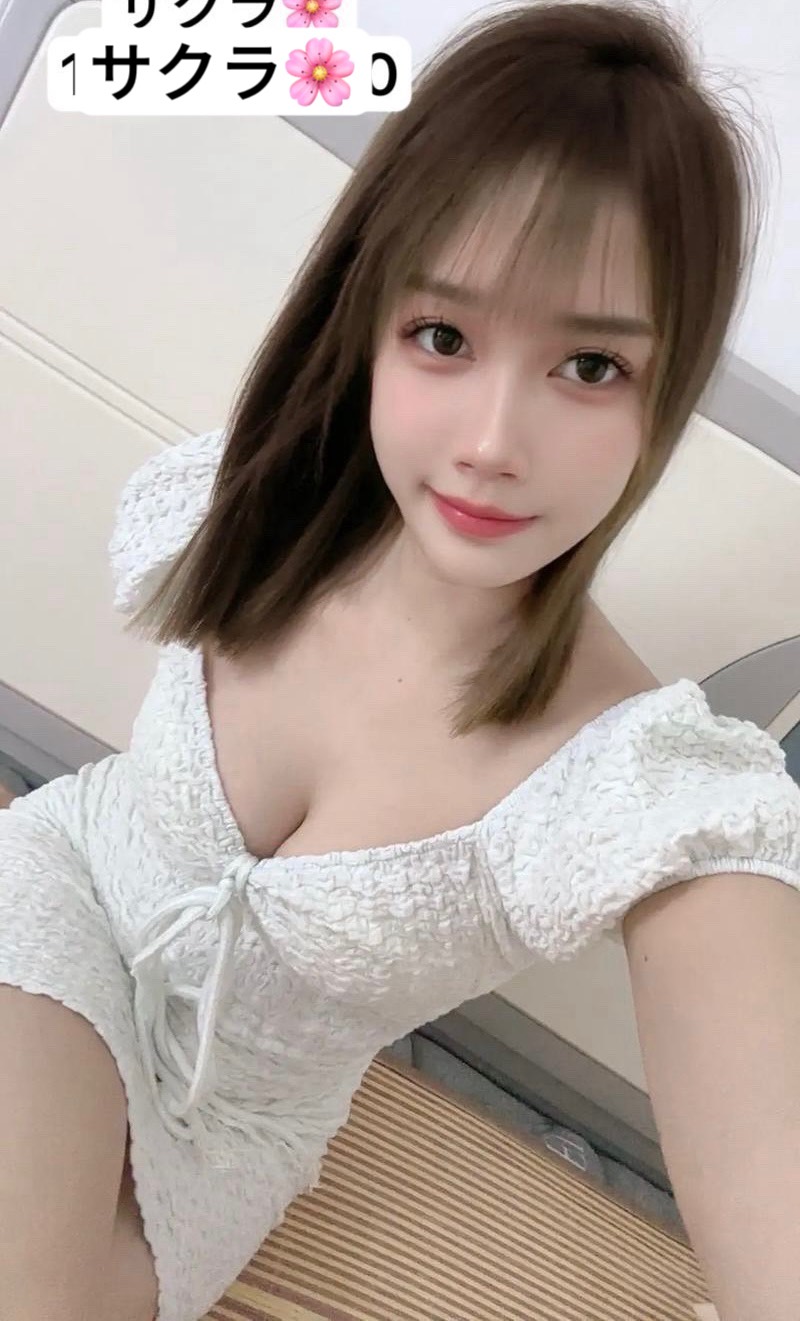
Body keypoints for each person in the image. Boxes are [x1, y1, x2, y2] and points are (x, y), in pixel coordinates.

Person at [1, 2, 798, 1319]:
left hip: (219, 1154)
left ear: (667, 393)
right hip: (46, 913)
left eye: (589, 364)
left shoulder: (640, 787)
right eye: (443, 337)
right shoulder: (253, 504)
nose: (491, 440)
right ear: (369, 317)